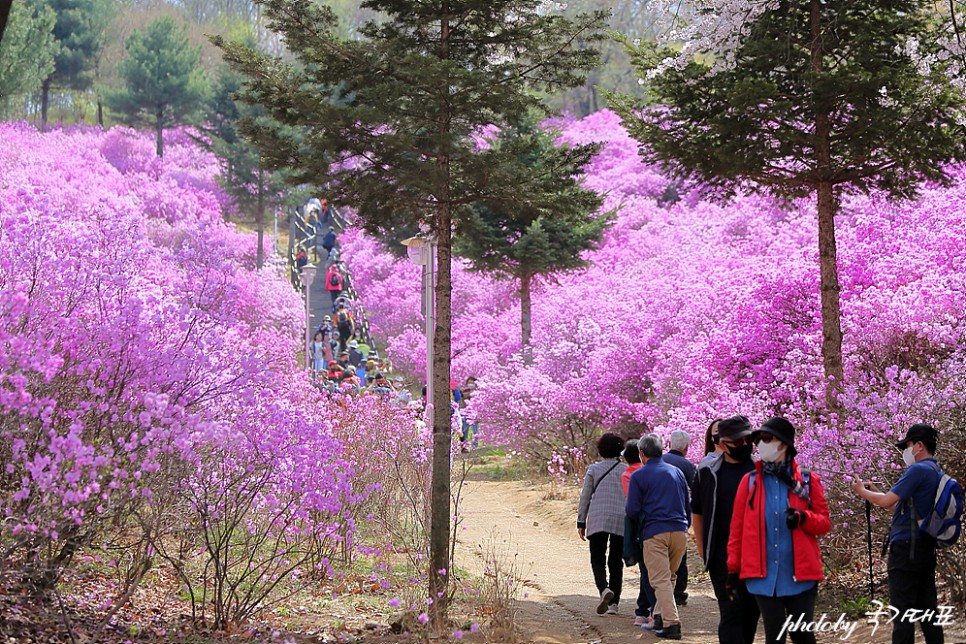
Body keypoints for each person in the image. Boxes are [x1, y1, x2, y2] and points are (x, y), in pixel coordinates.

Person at [728, 417, 831, 644]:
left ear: (783, 444)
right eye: (758, 440)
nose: (760, 445)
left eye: (766, 439)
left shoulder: (807, 481)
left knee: (803, 635)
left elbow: (824, 523)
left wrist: (804, 518)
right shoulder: (750, 482)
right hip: (762, 578)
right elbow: (737, 530)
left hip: (800, 575)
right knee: (774, 635)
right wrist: (732, 570)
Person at [851, 424, 946, 644]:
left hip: (905, 549)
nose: (906, 450)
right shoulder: (935, 472)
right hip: (925, 548)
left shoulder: (918, 470)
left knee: (902, 612)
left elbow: (886, 502)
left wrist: (861, 491)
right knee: (928, 611)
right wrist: (874, 492)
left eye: (908, 445)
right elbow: (901, 509)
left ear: (919, 446)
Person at [692, 415, 759, 644]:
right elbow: (698, 513)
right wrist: (703, 549)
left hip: (758, 556)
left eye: (747, 440)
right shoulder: (708, 473)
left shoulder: (762, 472)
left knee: (751, 613)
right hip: (722, 556)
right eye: (737, 441)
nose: (743, 446)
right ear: (723, 442)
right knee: (730, 612)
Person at [626, 434, 690, 640]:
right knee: (670, 577)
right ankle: (660, 616)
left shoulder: (639, 475)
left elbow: (632, 509)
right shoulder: (677, 472)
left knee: (660, 579)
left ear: (641, 454)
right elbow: (687, 506)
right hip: (680, 530)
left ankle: (672, 623)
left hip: (655, 532)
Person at [577, 433, 628, 616]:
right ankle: (614, 605)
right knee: (615, 561)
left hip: (598, 518)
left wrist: (581, 520)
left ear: (600, 450)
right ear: (619, 450)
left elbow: (585, 496)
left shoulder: (593, 469)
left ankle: (604, 589)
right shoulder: (626, 470)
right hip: (620, 519)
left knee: (597, 558)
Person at [620, 439, 657, 629]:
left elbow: (631, 506)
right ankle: (646, 610)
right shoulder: (659, 471)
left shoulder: (629, 475)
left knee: (645, 570)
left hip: (641, 526)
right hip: (662, 524)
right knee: (653, 570)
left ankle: (646, 611)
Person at [662, 430, 696, 607]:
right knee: (679, 557)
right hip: (679, 517)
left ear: (669, 444)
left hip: (657, 517)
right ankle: (678, 593)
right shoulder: (688, 466)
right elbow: (696, 490)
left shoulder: (658, 461)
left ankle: (661, 590)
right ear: (686, 448)